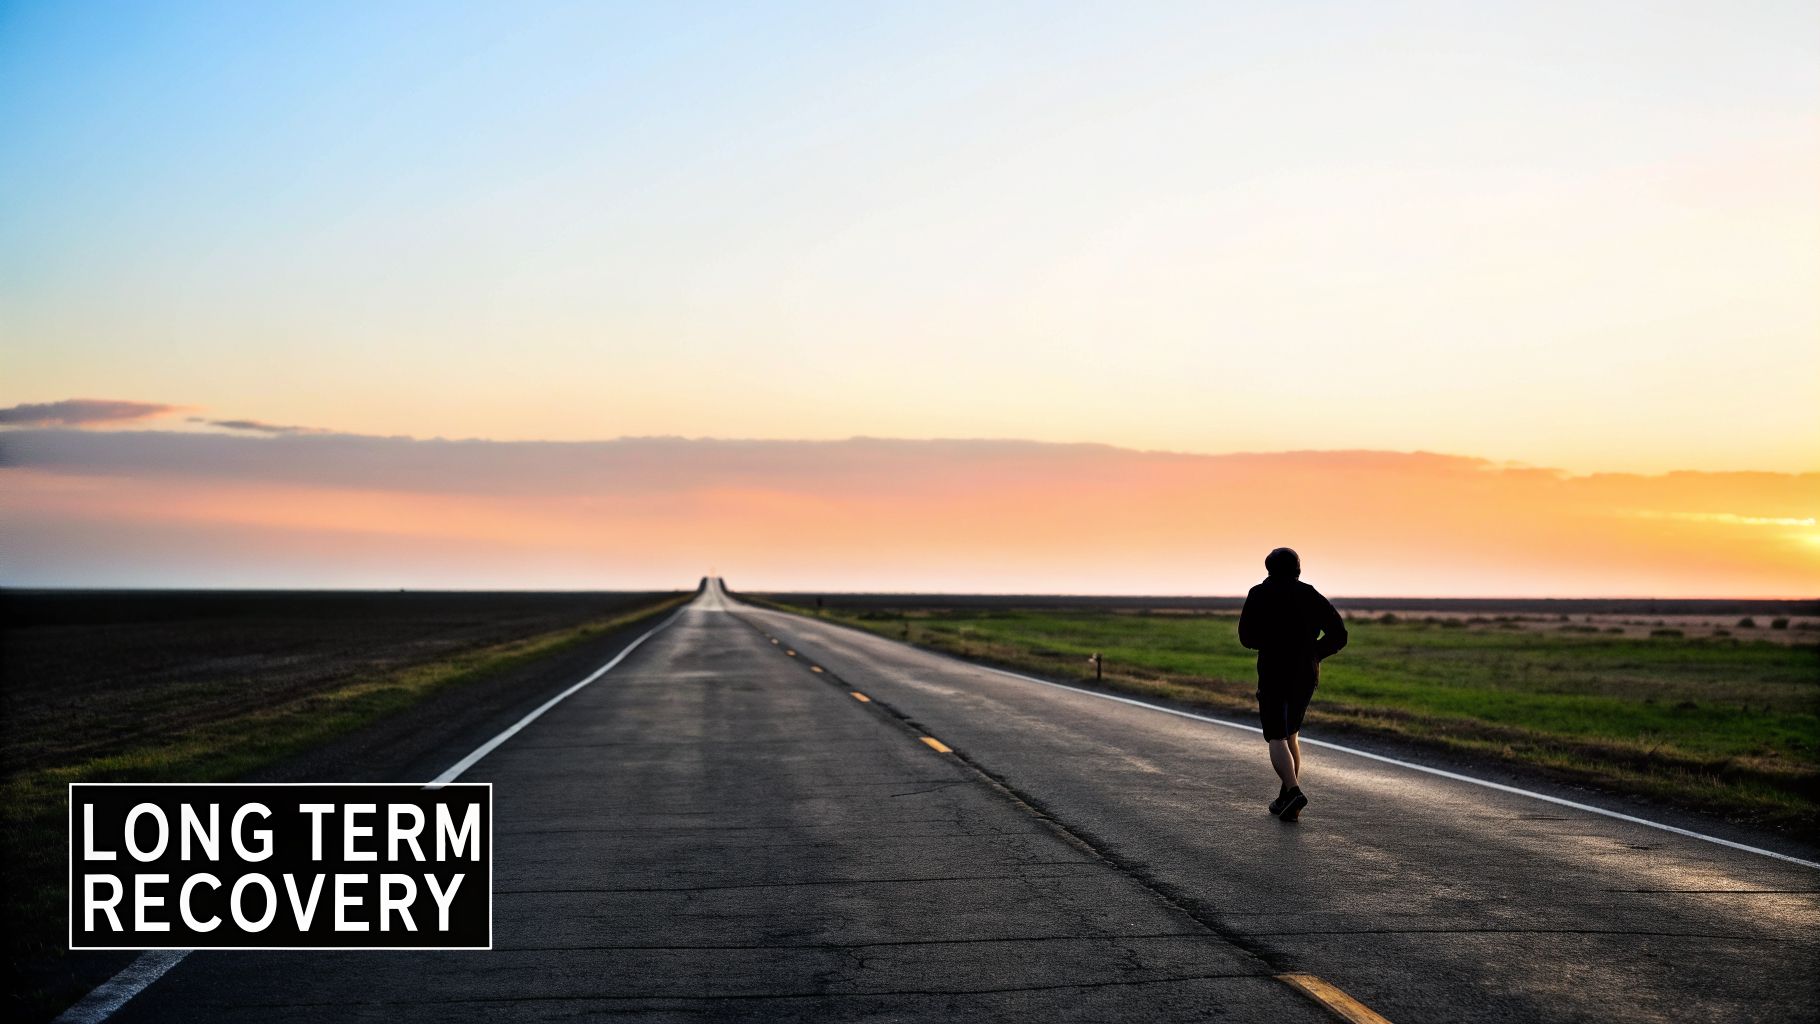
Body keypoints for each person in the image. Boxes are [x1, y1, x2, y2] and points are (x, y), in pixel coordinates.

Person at [1238, 547, 1347, 822]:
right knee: (1292, 734)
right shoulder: (1309, 594)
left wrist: (1270, 642)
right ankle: (1288, 800)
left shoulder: (1259, 594)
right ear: (1298, 569)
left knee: (1275, 735)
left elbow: (1246, 637)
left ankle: (1295, 791)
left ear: (1268, 569)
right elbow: (1339, 634)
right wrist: (1314, 652)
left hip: (1274, 670)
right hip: (1305, 672)